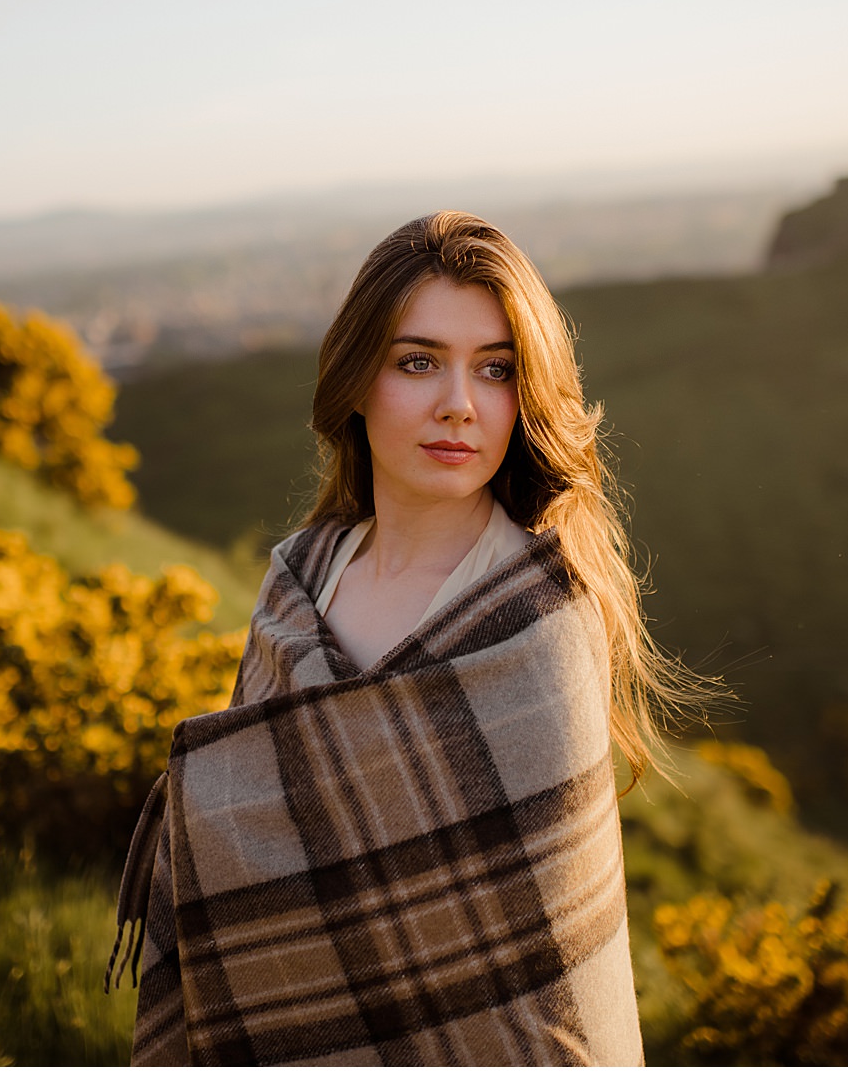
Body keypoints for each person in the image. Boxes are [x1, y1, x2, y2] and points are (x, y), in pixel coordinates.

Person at [112, 210, 697, 1066]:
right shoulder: (296, 587)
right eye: (417, 361)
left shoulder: (541, 629)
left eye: (494, 370)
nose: (458, 405)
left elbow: (547, 1000)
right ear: (356, 379)